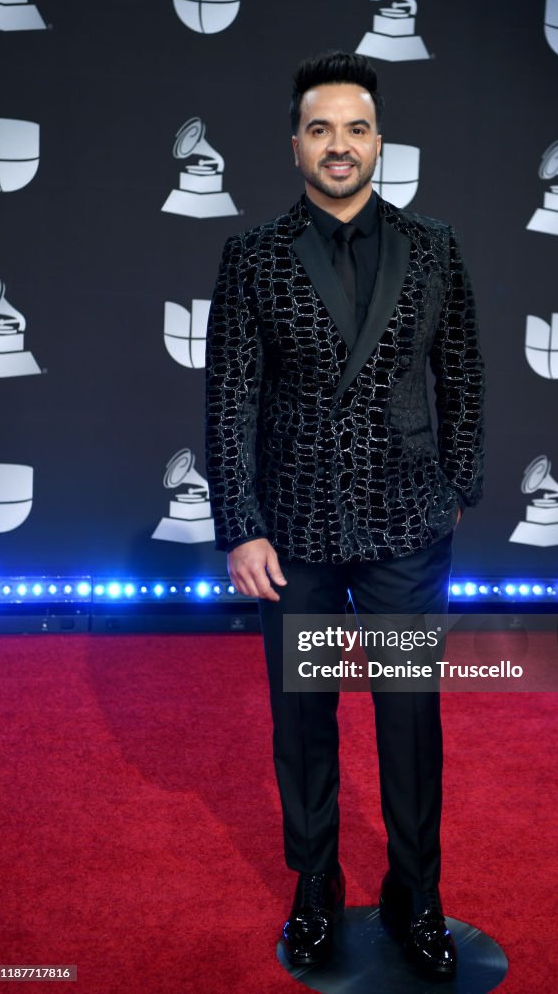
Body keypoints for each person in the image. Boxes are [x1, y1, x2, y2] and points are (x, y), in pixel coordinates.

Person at [205, 51, 485, 979]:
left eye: (356, 128)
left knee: (410, 717)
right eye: (320, 129)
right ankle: (316, 882)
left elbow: (465, 375)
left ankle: (418, 891)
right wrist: (240, 523)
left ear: (379, 141)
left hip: (408, 527)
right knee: (305, 719)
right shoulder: (251, 257)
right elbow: (230, 399)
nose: (339, 145)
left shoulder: (436, 246)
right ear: (295, 147)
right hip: (296, 535)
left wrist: (459, 485)